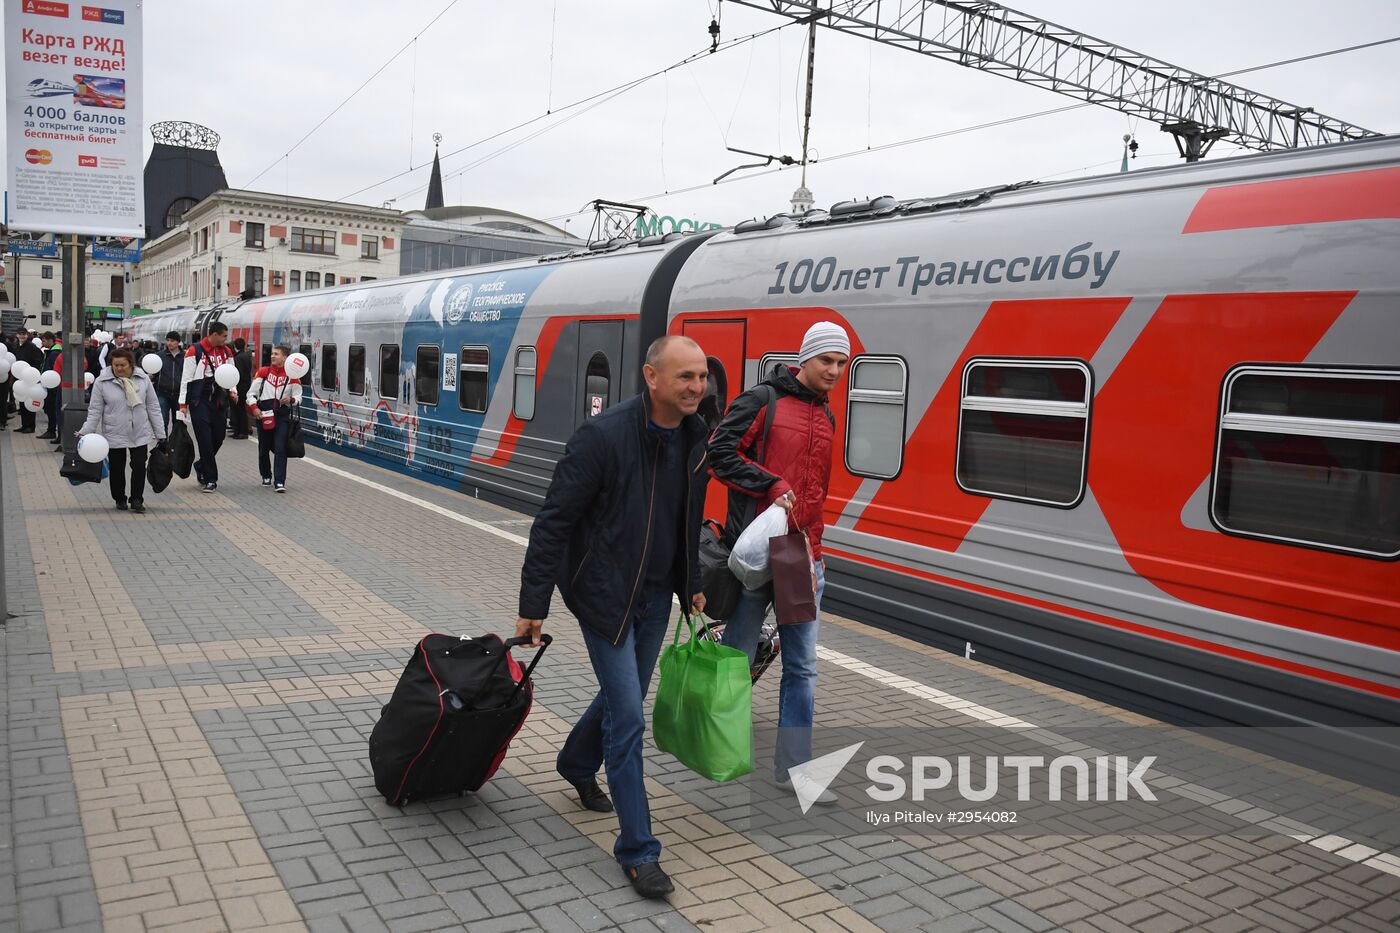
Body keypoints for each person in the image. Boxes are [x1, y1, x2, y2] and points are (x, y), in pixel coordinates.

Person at [515, 336, 710, 900]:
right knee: (627, 718)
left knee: (622, 697)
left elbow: (685, 518)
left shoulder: (696, 437)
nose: (697, 387)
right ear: (652, 377)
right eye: (685, 377)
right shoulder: (601, 438)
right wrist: (534, 603)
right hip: (604, 596)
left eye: (702, 376)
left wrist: (692, 581)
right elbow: (553, 521)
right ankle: (638, 852)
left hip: (655, 599)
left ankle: (576, 762)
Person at [706, 321, 851, 804]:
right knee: (736, 658)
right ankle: (714, 746)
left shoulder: (827, 417)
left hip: (802, 556)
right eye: (826, 360)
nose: (834, 370)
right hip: (755, 553)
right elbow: (718, 455)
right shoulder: (762, 400)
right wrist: (768, 483)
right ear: (805, 358)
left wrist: (814, 552)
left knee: (803, 667)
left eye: (841, 363)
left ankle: (795, 771)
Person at [79, 348, 167, 513]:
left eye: (123, 365)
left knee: (139, 465)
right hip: (114, 431)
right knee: (117, 467)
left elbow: (153, 407)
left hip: (139, 431)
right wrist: (85, 432)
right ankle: (119, 498)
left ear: (131, 365)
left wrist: (161, 434)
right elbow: (95, 410)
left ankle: (136, 499)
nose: (119, 369)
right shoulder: (102, 382)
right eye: (115, 365)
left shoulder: (143, 379)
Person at [178, 321, 237, 492]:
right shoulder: (194, 351)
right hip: (199, 401)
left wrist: (233, 391)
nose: (226, 339)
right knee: (204, 440)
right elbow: (186, 378)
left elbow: (231, 373)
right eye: (224, 336)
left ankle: (201, 465)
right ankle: (210, 479)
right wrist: (183, 404)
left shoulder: (227, 352)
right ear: (214, 334)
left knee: (218, 438)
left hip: (219, 400)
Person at [246, 345, 302, 492]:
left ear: (285, 357)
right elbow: (250, 394)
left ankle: (279, 481)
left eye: (276, 354)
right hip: (263, 415)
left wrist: (290, 400)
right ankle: (266, 475)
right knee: (263, 448)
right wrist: (254, 408)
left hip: (282, 416)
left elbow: (299, 397)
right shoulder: (263, 372)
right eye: (272, 354)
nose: (272, 356)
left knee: (280, 448)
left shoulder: (293, 376)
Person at [12, 328, 43, 434]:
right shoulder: (16, 346)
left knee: (29, 403)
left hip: (30, 379)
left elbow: (38, 360)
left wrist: (30, 371)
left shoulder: (31, 347)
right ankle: (24, 425)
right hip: (20, 379)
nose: (22, 336)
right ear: (17, 335)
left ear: (27, 335)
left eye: (24, 334)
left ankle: (31, 426)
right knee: (22, 402)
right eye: (20, 334)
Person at [154, 331, 184, 431]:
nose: (169, 343)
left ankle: (176, 444)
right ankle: (163, 444)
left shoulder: (185, 356)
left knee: (178, 422)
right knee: (162, 420)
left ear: (178, 342)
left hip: (179, 394)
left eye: (172, 341)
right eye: (168, 340)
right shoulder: (159, 356)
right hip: (163, 393)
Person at [39, 332, 62, 441]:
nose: (42, 343)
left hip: (52, 386)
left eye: (43, 341)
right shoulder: (52, 351)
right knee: (51, 408)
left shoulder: (54, 353)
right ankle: (52, 430)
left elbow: (54, 369)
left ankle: (52, 430)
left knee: (51, 408)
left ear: (49, 340)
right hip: (51, 384)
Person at [230, 338, 253, 439]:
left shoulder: (238, 358)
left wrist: (234, 389)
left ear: (235, 346)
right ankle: (240, 431)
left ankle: (242, 432)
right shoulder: (247, 356)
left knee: (239, 410)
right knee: (241, 409)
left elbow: (237, 374)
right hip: (246, 385)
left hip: (240, 386)